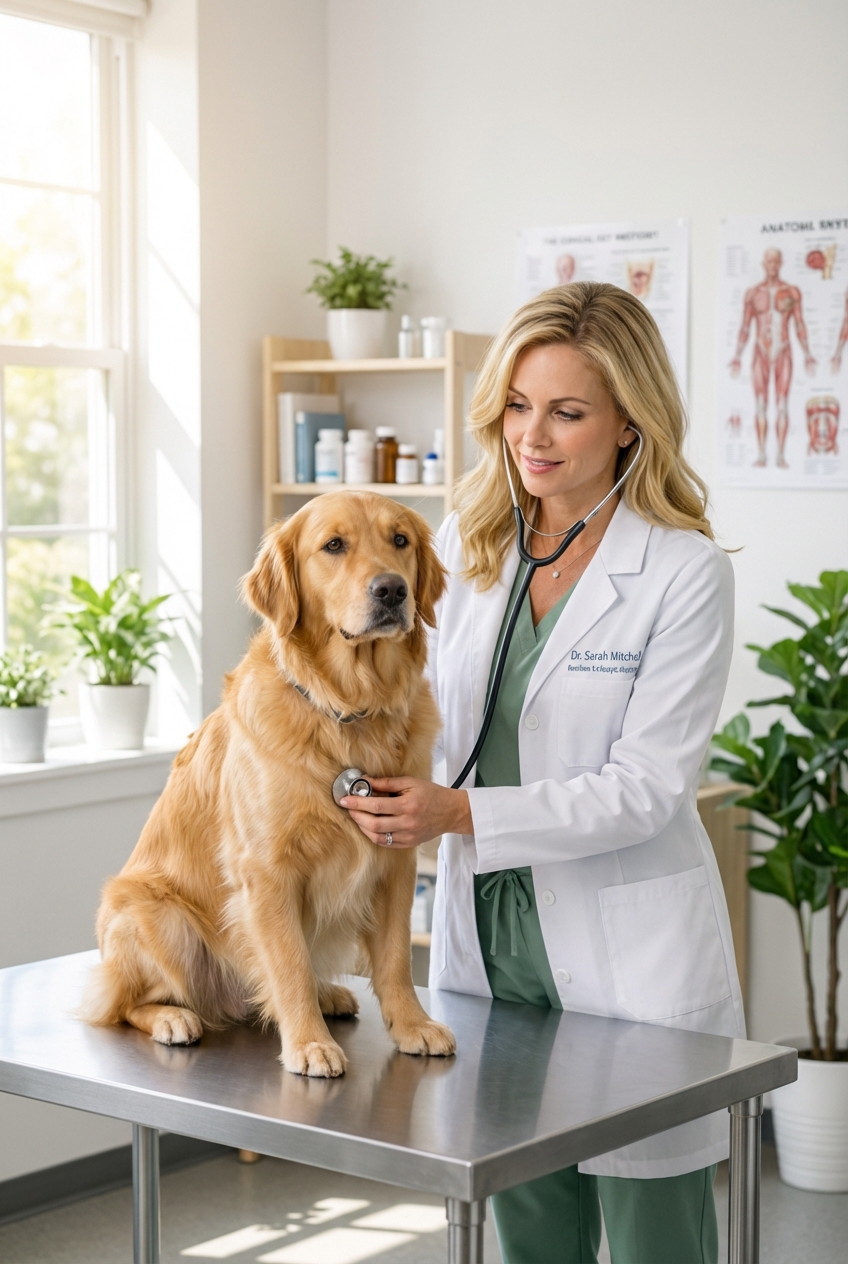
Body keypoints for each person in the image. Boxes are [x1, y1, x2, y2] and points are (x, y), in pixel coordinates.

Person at [340, 282, 744, 1264]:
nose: (534, 434)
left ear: (627, 424)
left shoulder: (682, 570)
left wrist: (451, 811)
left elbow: (644, 788)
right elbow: (402, 710)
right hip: (492, 947)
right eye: (517, 405)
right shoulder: (467, 553)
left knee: (657, 1241)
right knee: (529, 1232)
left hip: (629, 958)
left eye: (566, 411)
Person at [729, 247, 816, 468]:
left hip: (783, 351)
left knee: (782, 405)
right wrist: (737, 356)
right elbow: (745, 327)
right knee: (760, 404)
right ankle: (761, 454)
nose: (773, 266)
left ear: (781, 263)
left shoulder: (792, 292)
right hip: (760, 352)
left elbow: (799, 325)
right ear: (764, 264)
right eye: (769, 261)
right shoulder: (753, 294)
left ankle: (780, 455)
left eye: (776, 261)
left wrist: (807, 355)